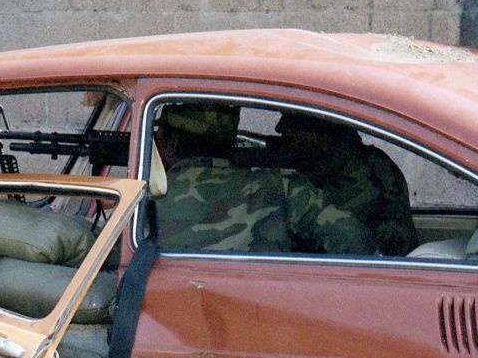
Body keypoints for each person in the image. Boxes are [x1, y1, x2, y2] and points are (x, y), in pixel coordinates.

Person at [152, 103, 377, 255]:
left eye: (158, 133)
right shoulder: (285, 189)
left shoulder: (142, 201)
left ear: (170, 143)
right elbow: (355, 242)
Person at [262, 113, 417, 256]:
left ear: (323, 131)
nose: (280, 128)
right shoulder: (326, 165)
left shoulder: (362, 173)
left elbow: (331, 232)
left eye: (293, 122)